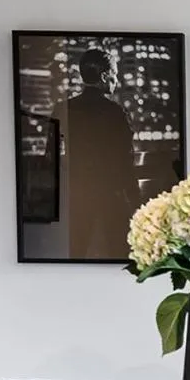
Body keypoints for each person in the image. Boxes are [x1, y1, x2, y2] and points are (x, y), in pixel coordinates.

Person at [60, 47, 137, 259]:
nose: (117, 79)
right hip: (111, 197)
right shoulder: (115, 113)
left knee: (74, 252)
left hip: (74, 197)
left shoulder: (62, 109)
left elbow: (54, 159)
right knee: (120, 255)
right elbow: (125, 161)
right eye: (115, 73)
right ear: (104, 76)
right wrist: (136, 200)